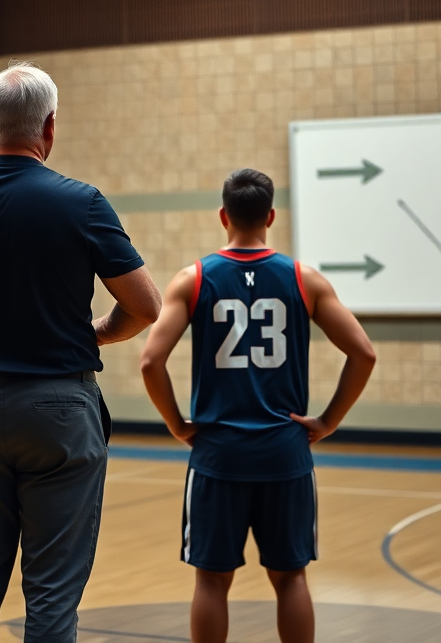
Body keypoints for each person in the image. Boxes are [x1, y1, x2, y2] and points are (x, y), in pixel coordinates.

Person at [0, 62, 161, 643]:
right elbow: (145, 306)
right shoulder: (81, 202)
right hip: (58, 409)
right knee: (51, 595)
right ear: (50, 126)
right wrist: (94, 332)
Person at [140, 168, 376, 643]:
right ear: (270, 215)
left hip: (217, 452)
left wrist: (178, 425)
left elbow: (150, 362)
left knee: (210, 579)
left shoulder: (194, 278)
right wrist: (328, 421)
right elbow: (364, 353)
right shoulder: (303, 279)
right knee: (290, 577)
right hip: (284, 453)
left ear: (223, 216)